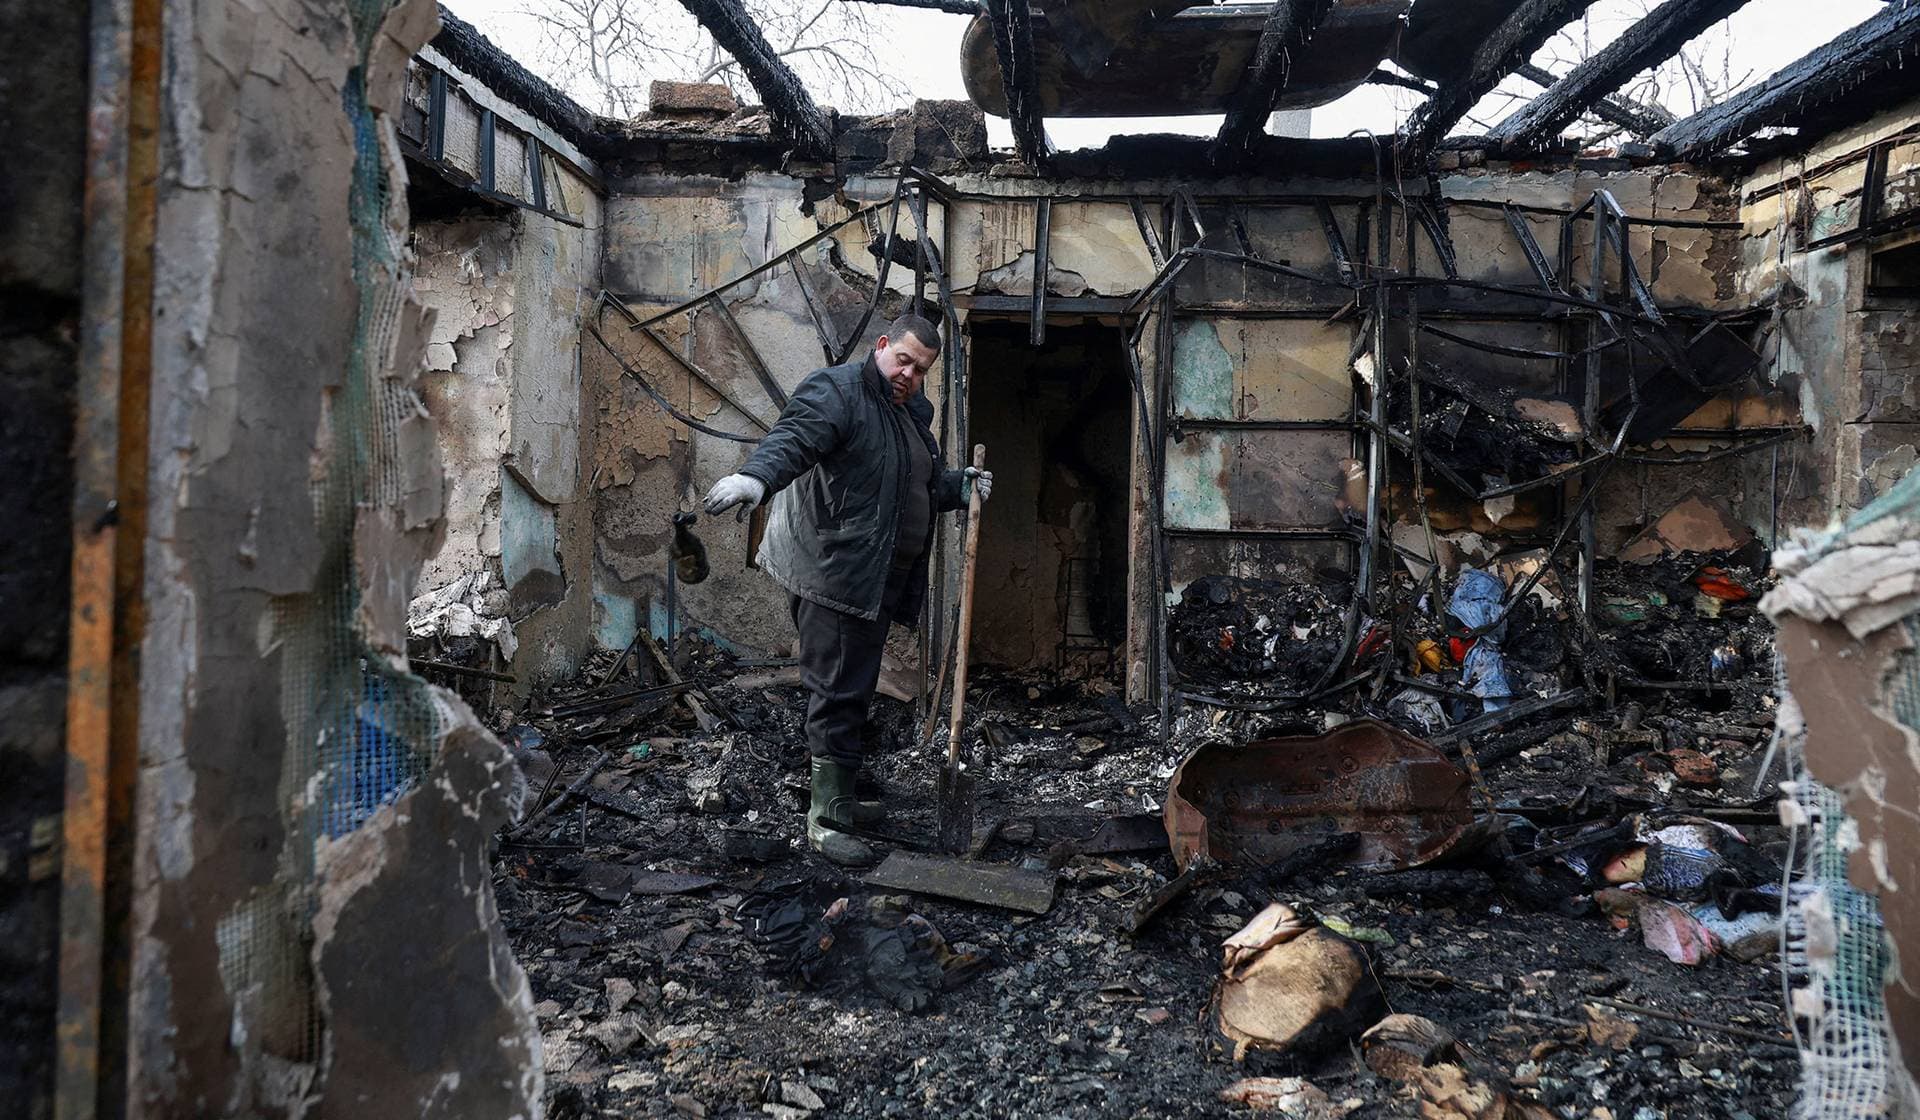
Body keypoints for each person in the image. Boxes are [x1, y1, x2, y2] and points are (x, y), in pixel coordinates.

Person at [703, 313, 991, 865]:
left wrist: (959, 485)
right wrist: (755, 479)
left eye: (920, 369)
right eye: (903, 359)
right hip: (833, 571)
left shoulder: (906, 415)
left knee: (854, 687)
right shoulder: (837, 392)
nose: (908, 373)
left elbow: (913, 484)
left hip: (874, 578)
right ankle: (824, 821)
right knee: (835, 689)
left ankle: (841, 796)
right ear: (881, 346)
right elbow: (794, 438)